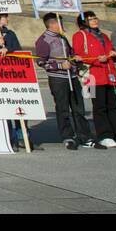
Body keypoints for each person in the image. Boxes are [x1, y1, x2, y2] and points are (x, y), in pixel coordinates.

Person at [35, 13, 100, 150]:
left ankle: (84, 136)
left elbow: (70, 54)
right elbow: (41, 61)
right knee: (63, 108)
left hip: (72, 77)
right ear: (52, 24)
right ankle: (68, 136)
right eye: (60, 23)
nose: (62, 26)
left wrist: (74, 58)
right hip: (58, 79)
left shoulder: (63, 37)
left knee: (79, 108)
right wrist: (59, 65)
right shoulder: (44, 40)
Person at [73, 12, 116, 148]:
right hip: (93, 76)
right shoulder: (80, 35)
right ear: (84, 22)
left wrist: (114, 54)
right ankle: (104, 135)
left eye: (95, 18)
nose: (94, 20)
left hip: (109, 74)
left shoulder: (103, 35)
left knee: (113, 106)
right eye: (90, 19)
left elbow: (113, 51)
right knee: (99, 106)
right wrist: (96, 59)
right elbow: (79, 55)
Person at [0, 15, 30, 148]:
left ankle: (23, 136)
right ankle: (8, 137)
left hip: (13, 73)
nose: (6, 19)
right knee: (5, 107)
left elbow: (18, 50)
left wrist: (8, 49)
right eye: (3, 17)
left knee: (19, 105)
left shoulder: (10, 33)